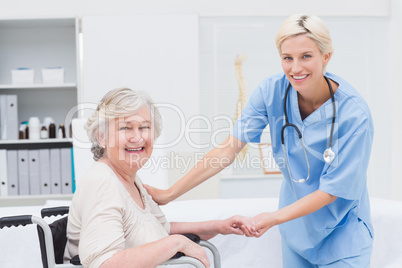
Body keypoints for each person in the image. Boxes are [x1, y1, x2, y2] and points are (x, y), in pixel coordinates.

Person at [145, 14, 374, 267]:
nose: (295, 68)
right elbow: (228, 150)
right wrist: (169, 193)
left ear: (326, 57)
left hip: (343, 237)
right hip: (297, 233)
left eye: (306, 56)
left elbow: (332, 191)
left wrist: (273, 218)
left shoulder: (354, 115)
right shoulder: (272, 92)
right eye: (287, 58)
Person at [64, 88, 246, 268]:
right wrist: (177, 243)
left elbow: (162, 228)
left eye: (144, 127)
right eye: (125, 128)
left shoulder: (130, 179)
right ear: (102, 137)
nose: (137, 137)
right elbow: (105, 263)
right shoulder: (102, 183)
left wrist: (218, 226)